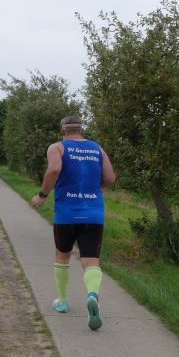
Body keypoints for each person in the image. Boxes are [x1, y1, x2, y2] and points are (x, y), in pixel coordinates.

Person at [31, 116, 115, 330]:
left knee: (62, 256)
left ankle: (61, 301)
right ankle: (92, 295)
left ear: (63, 131)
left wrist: (42, 195)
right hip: (93, 214)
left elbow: (54, 169)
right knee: (91, 260)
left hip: (66, 214)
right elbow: (110, 178)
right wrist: (95, 189)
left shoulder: (57, 148)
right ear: (82, 130)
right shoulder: (97, 148)